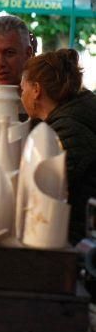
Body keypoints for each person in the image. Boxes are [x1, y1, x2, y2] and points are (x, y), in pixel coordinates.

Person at [20, 49, 96, 243]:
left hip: (80, 241)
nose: (22, 96)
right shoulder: (74, 114)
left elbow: (43, 193)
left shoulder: (66, 130)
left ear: (36, 90)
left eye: (23, 89)